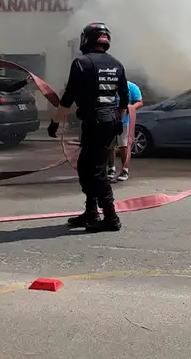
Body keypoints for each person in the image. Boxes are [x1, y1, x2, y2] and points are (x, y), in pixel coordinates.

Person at [48, 22, 129, 232]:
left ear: (86, 40)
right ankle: (91, 211)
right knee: (86, 168)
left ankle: (111, 217)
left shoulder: (81, 63)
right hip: (108, 122)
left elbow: (68, 99)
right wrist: (118, 122)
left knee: (95, 172)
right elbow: (124, 100)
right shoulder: (117, 64)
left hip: (96, 123)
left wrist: (54, 122)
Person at [108, 79, 143, 182]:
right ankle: (111, 168)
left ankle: (125, 170)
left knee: (124, 146)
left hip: (125, 121)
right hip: (110, 120)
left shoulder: (132, 87)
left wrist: (129, 108)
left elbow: (140, 102)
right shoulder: (109, 86)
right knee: (109, 146)